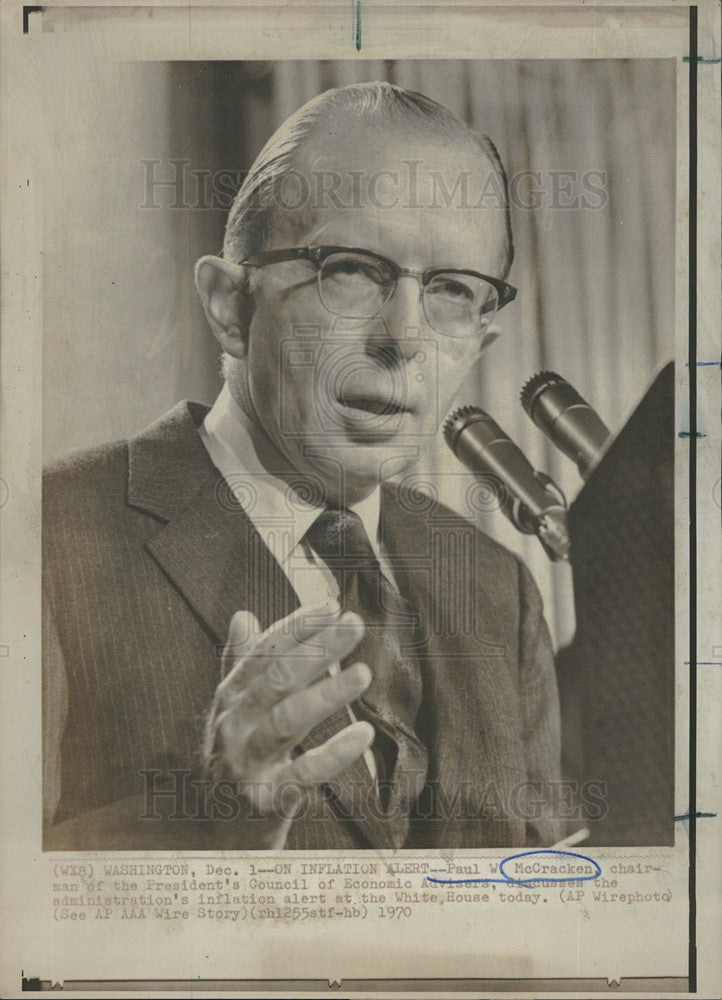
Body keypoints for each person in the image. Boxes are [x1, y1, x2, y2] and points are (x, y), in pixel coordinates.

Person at [42, 82, 561, 851]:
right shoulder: (47, 537)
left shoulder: (499, 589)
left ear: (480, 345)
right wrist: (206, 824)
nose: (406, 338)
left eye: (452, 289)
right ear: (229, 304)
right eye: (352, 269)